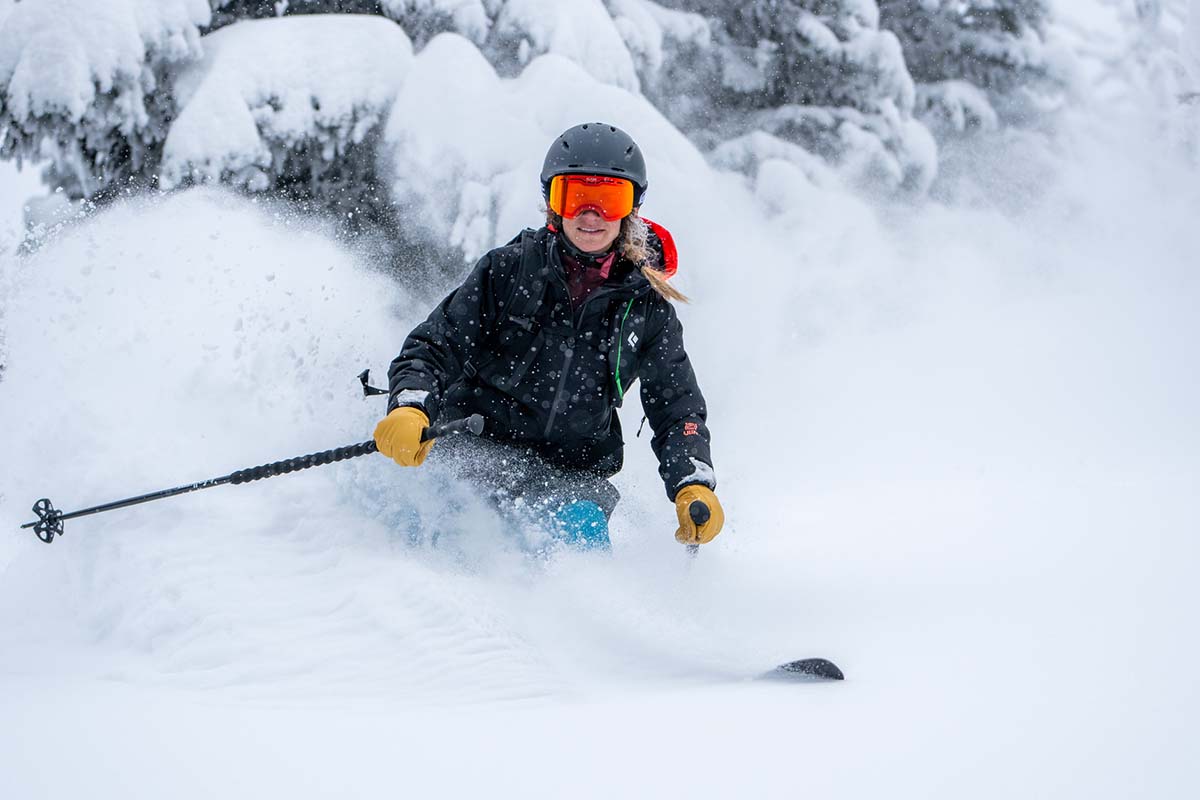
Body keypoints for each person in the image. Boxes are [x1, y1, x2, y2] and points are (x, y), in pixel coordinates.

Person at [373, 122, 724, 550]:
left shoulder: (647, 310)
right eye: (575, 196)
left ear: (631, 209)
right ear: (553, 204)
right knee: (455, 538)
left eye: (609, 199)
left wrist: (693, 483)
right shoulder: (509, 271)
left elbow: (677, 407)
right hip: (476, 447)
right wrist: (411, 407)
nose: (590, 214)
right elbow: (433, 345)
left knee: (579, 541)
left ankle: (566, 617)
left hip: (571, 476)